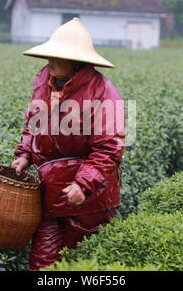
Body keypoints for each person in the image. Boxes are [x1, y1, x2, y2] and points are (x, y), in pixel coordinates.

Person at [11, 18, 125, 270]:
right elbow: (33, 125)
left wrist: (82, 185)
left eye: (56, 56)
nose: (49, 61)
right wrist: (25, 153)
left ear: (75, 61)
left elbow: (109, 148)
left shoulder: (103, 92)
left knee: (80, 263)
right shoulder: (43, 83)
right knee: (42, 263)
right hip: (49, 191)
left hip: (88, 200)